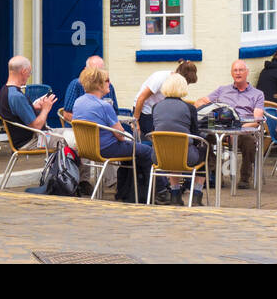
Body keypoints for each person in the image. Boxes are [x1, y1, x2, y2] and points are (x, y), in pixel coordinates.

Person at [72, 65, 155, 203]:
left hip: (87, 149)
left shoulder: (78, 102)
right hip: (106, 149)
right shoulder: (104, 106)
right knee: (146, 150)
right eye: (107, 80)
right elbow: (120, 135)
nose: (109, 83)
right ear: (98, 85)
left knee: (131, 151)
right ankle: (153, 192)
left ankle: (126, 191)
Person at [195, 60, 266, 190]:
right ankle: (216, 174)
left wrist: (237, 129)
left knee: (250, 142)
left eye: (241, 70)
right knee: (202, 139)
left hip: (242, 128)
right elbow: (200, 103)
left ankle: (244, 178)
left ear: (247, 72)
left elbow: (257, 119)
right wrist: (210, 111)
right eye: (235, 70)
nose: (238, 73)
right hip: (220, 129)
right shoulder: (222, 90)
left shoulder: (257, 94)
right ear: (231, 73)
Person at [151, 72, 205, 205]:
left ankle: (175, 195)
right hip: (185, 157)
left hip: (159, 156)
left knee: (172, 152)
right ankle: (196, 195)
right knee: (205, 152)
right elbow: (196, 135)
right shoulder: (189, 108)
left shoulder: (155, 107)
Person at [0, 55, 57, 150]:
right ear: (24, 71)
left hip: (23, 139)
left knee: (66, 134)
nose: (29, 76)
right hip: (31, 141)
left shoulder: (5, 90)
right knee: (71, 139)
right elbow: (36, 126)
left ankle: (54, 164)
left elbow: (16, 113)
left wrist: (33, 107)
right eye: (29, 73)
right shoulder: (16, 96)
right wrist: (46, 109)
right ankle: (60, 164)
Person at [131, 60, 198, 138]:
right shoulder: (160, 78)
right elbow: (141, 98)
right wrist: (135, 122)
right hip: (144, 111)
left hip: (156, 110)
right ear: (180, 76)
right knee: (158, 138)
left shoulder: (175, 82)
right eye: (186, 82)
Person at [60, 55, 118, 123]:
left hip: (104, 128)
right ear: (85, 70)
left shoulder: (108, 85)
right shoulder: (76, 84)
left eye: (100, 71)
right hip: (78, 130)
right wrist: (90, 126)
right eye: (94, 72)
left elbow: (115, 113)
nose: (97, 75)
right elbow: (67, 114)